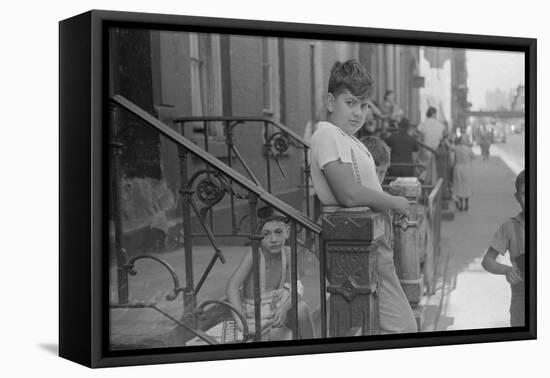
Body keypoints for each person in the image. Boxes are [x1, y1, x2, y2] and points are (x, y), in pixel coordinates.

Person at [310, 60, 417, 334]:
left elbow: (361, 185)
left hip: (371, 245)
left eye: (364, 105)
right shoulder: (327, 135)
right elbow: (348, 193)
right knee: (403, 327)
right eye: (350, 103)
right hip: (357, 248)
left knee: (371, 328)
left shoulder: (348, 138)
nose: (359, 113)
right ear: (331, 102)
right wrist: (395, 202)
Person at [226, 206, 315, 340]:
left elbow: (297, 287)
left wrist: (284, 308)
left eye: (278, 232)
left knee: (301, 308)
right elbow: (232, 287)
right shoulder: (254, 255)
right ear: (258, 235)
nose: (273, 239)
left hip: (279, 311)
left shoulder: (288, 253)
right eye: (266, 234)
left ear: (288, 232)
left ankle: (313, 351)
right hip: (257, 315)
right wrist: (241, 320)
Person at [481, 170, 526, 326]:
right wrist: (507, 271)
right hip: (522, 299)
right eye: (525, 194)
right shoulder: (510, 227)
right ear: (517, 198)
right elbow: (487, 261)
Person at [417, 106, 446, 183]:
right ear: (433, 114)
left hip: (425, 149)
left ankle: (424, 180)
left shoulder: (423, 124)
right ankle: (432, 185)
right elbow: (443, 138)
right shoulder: (440, 125)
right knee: (434, 171)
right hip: (436, 151)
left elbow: (419, 138)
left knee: (424, 167)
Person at [447, 136, 475, 211]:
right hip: (466, 168)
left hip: (457, 168)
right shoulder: (468, 149)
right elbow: (474, 157)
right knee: (466, 186)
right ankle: (466, 204)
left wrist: (445, 140)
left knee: (458, 186)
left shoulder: (456, 148)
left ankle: (460, 205)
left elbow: (449, 147)